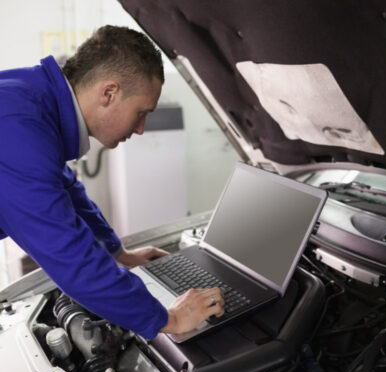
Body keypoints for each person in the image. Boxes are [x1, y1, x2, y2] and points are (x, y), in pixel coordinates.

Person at [0, 25, 224, 338]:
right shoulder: (16, 130)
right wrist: (167, 319)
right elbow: (70, 258)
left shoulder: (31, 97)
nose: (142, 128)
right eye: (142, 112)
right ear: (109, 93)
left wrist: (119, 254)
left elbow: (66, 188)